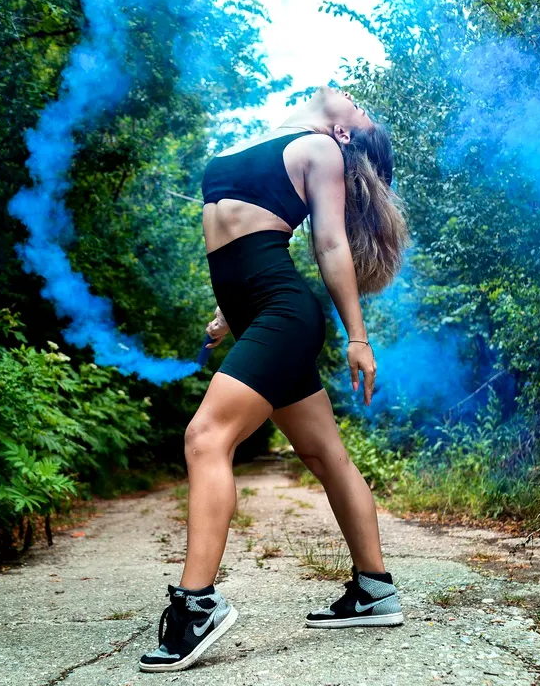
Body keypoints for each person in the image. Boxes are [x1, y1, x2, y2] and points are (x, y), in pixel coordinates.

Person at [140, 86, 411, 672]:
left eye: (362, 111)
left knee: (205, 438)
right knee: (325, 454)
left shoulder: (321, 149)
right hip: (257, 313)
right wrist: (226, 311)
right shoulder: (264, 139)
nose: (356, 99)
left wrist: (357, 337)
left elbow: (329, 243)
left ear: (344, 134)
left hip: (283, 315)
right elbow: (242, 234)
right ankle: (374, 590)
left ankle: (196, 606)